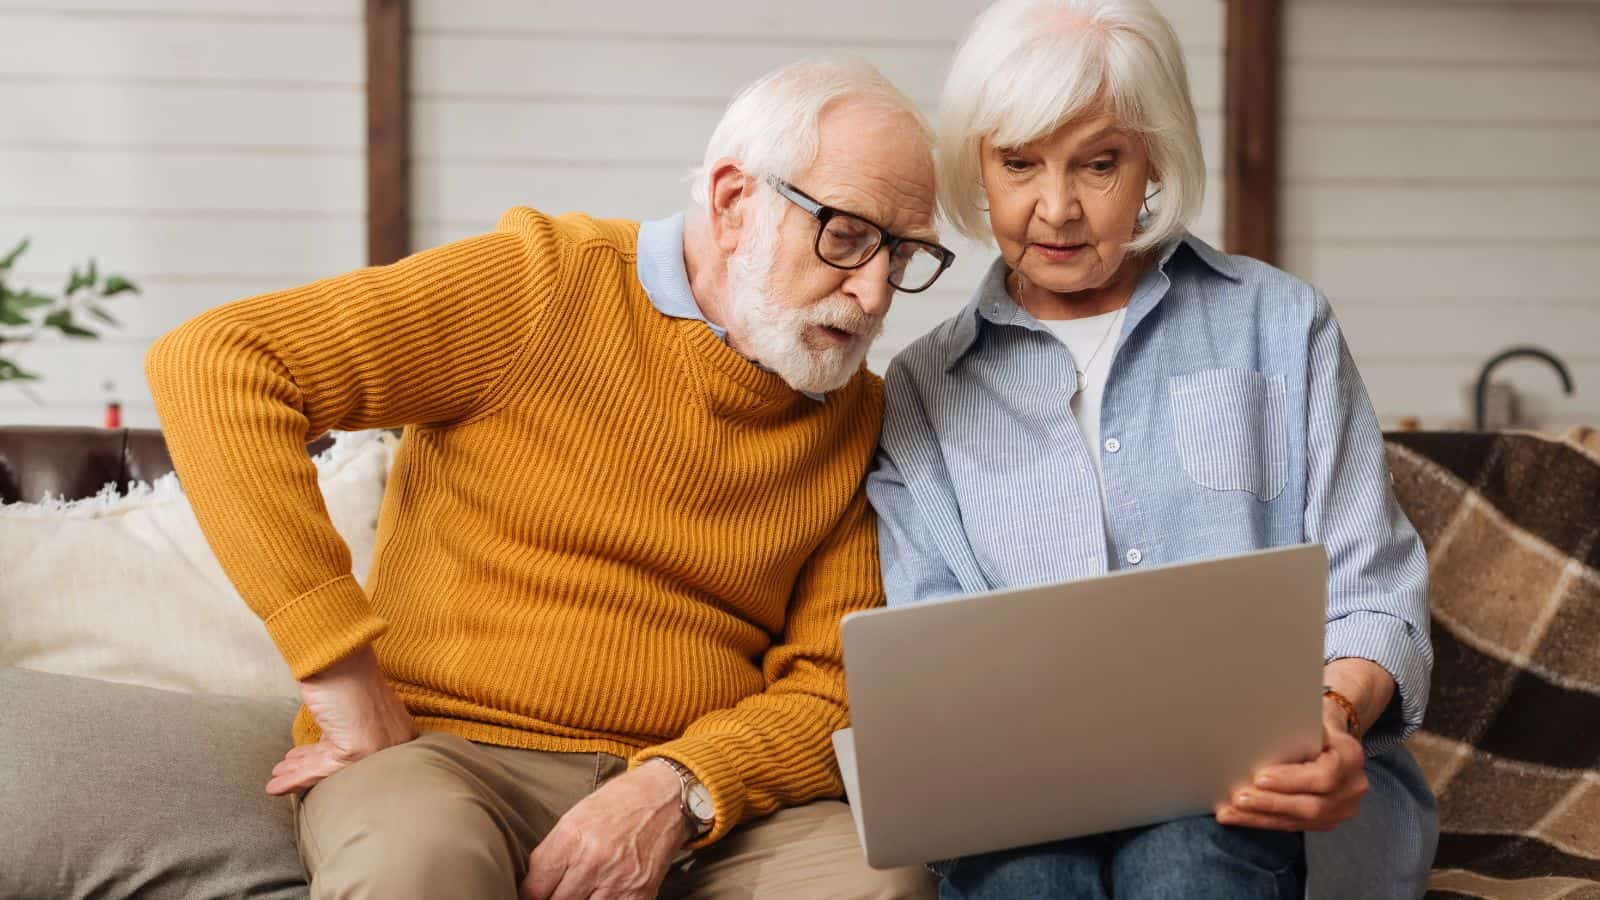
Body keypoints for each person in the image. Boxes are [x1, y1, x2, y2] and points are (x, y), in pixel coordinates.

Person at [146, 58, 953, 900]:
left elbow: (835, 681)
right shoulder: (540, 284)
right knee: (416, 869)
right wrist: (340, 674)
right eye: (848, 236)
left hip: (694, 795)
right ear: (732, 201)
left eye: (902, 254)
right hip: (446, 756)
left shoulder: (861, 415)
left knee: (881, 882)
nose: (872, 294)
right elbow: (218, 363)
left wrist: (677, 789)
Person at [865, 2, 1437, 898]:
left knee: (1186, 863)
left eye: (1099, 163)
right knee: (1026, 881)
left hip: (1255, 798)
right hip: (1026, 809)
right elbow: (936, 650)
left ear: (1154, 159)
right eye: (1019, 164)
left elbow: (1375, 591)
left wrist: (1335, 714)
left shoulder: (1282, 326)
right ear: (977, 164)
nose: (1055, 209)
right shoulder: (921, 392)